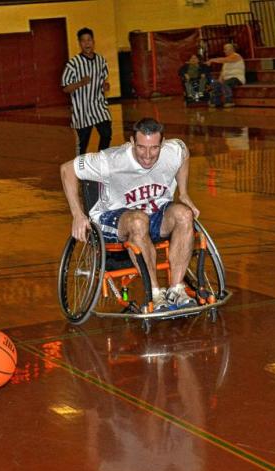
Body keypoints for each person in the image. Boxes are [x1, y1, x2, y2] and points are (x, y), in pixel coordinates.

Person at [60, 117, 200, 310]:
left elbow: (184, 154)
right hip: (113, 217)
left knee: (184, 215)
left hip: (154, 213)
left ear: (162, 143)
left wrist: (183, 193)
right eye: (141, 147)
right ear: (132, 142)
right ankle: (156, 294)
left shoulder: (172, 151)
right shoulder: (112, 160)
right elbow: (67, 169)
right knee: (138, 221)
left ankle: (177, 290)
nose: (148, 155)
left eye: (154, 148)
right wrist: (77, 214)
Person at [61, 27, 113, 211]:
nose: (87, 43)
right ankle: (80, 172)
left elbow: (103, 80)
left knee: (106, 133)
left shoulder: (100, 61)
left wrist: (105, 85)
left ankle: (101, 164)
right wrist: (80, 83)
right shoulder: (73, 64)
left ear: (93, 41)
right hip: (82, 110)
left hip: (98, 107)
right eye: (83, 41)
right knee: (82, 145)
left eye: (89, 40)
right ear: (80, 43)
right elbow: (66, 88)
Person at [206, 43, 246, 108]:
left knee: (226, 83)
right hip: (227, 78)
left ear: (231, 49)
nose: (224, 51)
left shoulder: (236, 56)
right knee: (215, 84)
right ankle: (216, 101)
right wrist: (219, 80)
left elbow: (224, 60)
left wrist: (212, 60)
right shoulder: (226, 60)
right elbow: (223, 72)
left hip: (237, 78)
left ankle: (229, 101)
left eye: (225, 49)